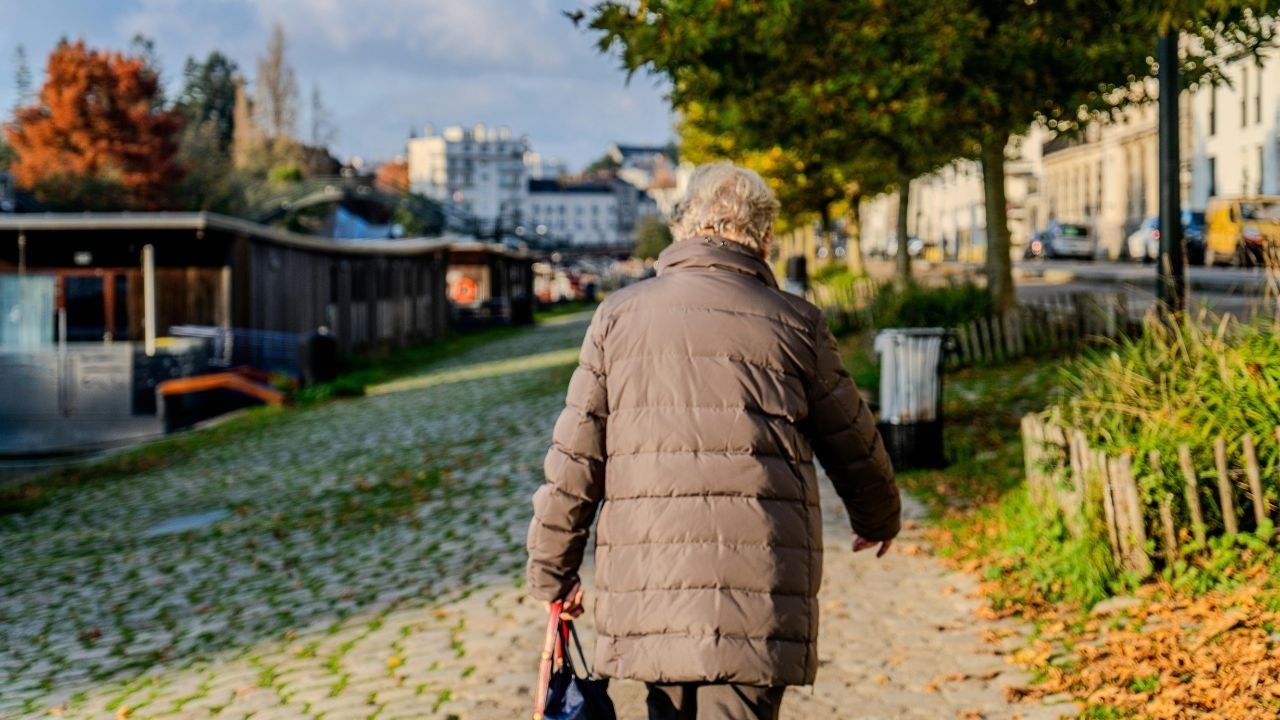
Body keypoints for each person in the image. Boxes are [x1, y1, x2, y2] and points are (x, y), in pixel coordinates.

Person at [526, 161, 901, 720]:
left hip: (651, 583)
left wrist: (554, 571)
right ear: (765, 238)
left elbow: (576, 457)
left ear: (681, 228)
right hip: (758, 585)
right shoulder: (795, 323)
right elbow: (851, 436)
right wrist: (878, 517)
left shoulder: (617, 318)